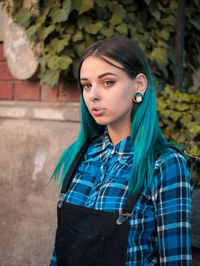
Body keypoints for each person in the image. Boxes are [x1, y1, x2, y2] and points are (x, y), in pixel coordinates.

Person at [49, 36, 193, 266]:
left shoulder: (165, 165)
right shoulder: (80, 157)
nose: (93, 94)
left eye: (107, 82)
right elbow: (59, 254)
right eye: (87, 85)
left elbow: (175, 260)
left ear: (139, 85)